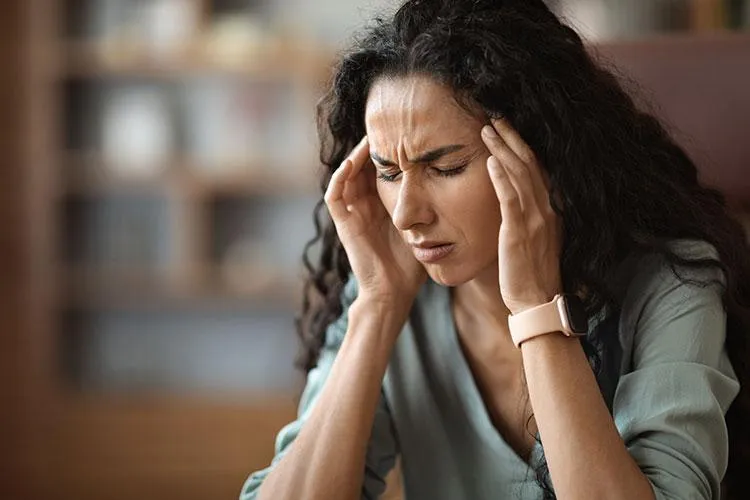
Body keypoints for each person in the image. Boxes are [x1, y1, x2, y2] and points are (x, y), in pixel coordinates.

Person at [241, 1, 750, 498]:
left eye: (445, 168)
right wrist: (375, 309)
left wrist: (536, 308)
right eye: (389, 173)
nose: (405, 215)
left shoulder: (674, 284)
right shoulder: (393, 289)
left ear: (542, 153)